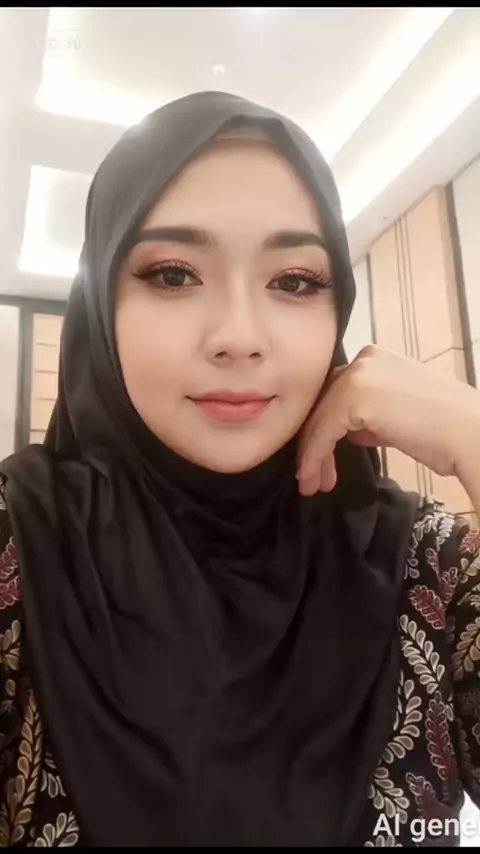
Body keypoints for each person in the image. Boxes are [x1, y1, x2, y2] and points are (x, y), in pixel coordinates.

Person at [0, 91, 479, 848]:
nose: (239, 336)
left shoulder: (428, 566)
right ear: (100, 305)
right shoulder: (16, 546)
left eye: (294, 281)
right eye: (172, 274)